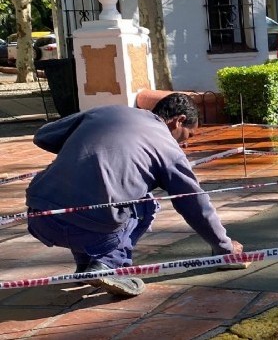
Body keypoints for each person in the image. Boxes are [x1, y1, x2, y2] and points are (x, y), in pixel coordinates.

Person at [26, 93, 245, 298]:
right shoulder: (167, 148)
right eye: (188, 135)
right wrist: (224, 248)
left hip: (40, 218)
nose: (185, 143)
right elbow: (194, 203)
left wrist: (84, 151)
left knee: (91, 193)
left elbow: (43, 135)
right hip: (88, 229)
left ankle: (86, 266)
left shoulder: (107, 112)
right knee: (146, 203)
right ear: (178, 121)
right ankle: (110, 265)